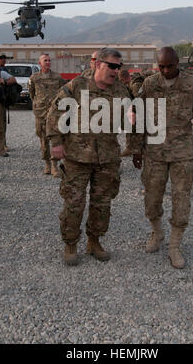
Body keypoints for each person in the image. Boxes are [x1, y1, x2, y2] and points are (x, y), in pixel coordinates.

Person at [46, 47, 131, 266]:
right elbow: (55, 112)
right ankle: (71, 244)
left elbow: (135, 120)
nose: (116, 70)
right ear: (97, 64)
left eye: (118, 66)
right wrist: (56, 142)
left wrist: (136, 147)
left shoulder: (121, 91)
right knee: (74, 203)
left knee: (102, 204)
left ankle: (94, 242)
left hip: (107, 158)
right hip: (77, 157)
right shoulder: (76, 86)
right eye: (112, 65)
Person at [132, 47, 193, 269]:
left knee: (181, 199)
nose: (166, 70)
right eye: (162, 66)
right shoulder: (149, 84)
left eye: (170, 66)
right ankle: (157, 233)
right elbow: (139, 116)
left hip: (182, 153)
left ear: (178, 63)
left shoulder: (192, 85)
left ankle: (175, 246)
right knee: (151, 199)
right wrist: (135, 148)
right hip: (154, 153)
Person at [28, 53, 66, 177]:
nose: (48, 62)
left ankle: (54, 165)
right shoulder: (34, 78)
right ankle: (47, 164)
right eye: (45, 60)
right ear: (40, 63)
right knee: (43, 140)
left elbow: (63, 92)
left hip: (54, 113)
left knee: (56, 139)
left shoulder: (57, 77)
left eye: (49, 60)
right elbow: (32, 93)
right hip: (40, 113)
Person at [0, 52, 17, 157]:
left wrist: (4, 82)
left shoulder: (2, 71)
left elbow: (13, 79)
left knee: (0, 125)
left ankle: (1, 146)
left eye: (4, 58)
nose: (3, 59)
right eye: (1, 58)